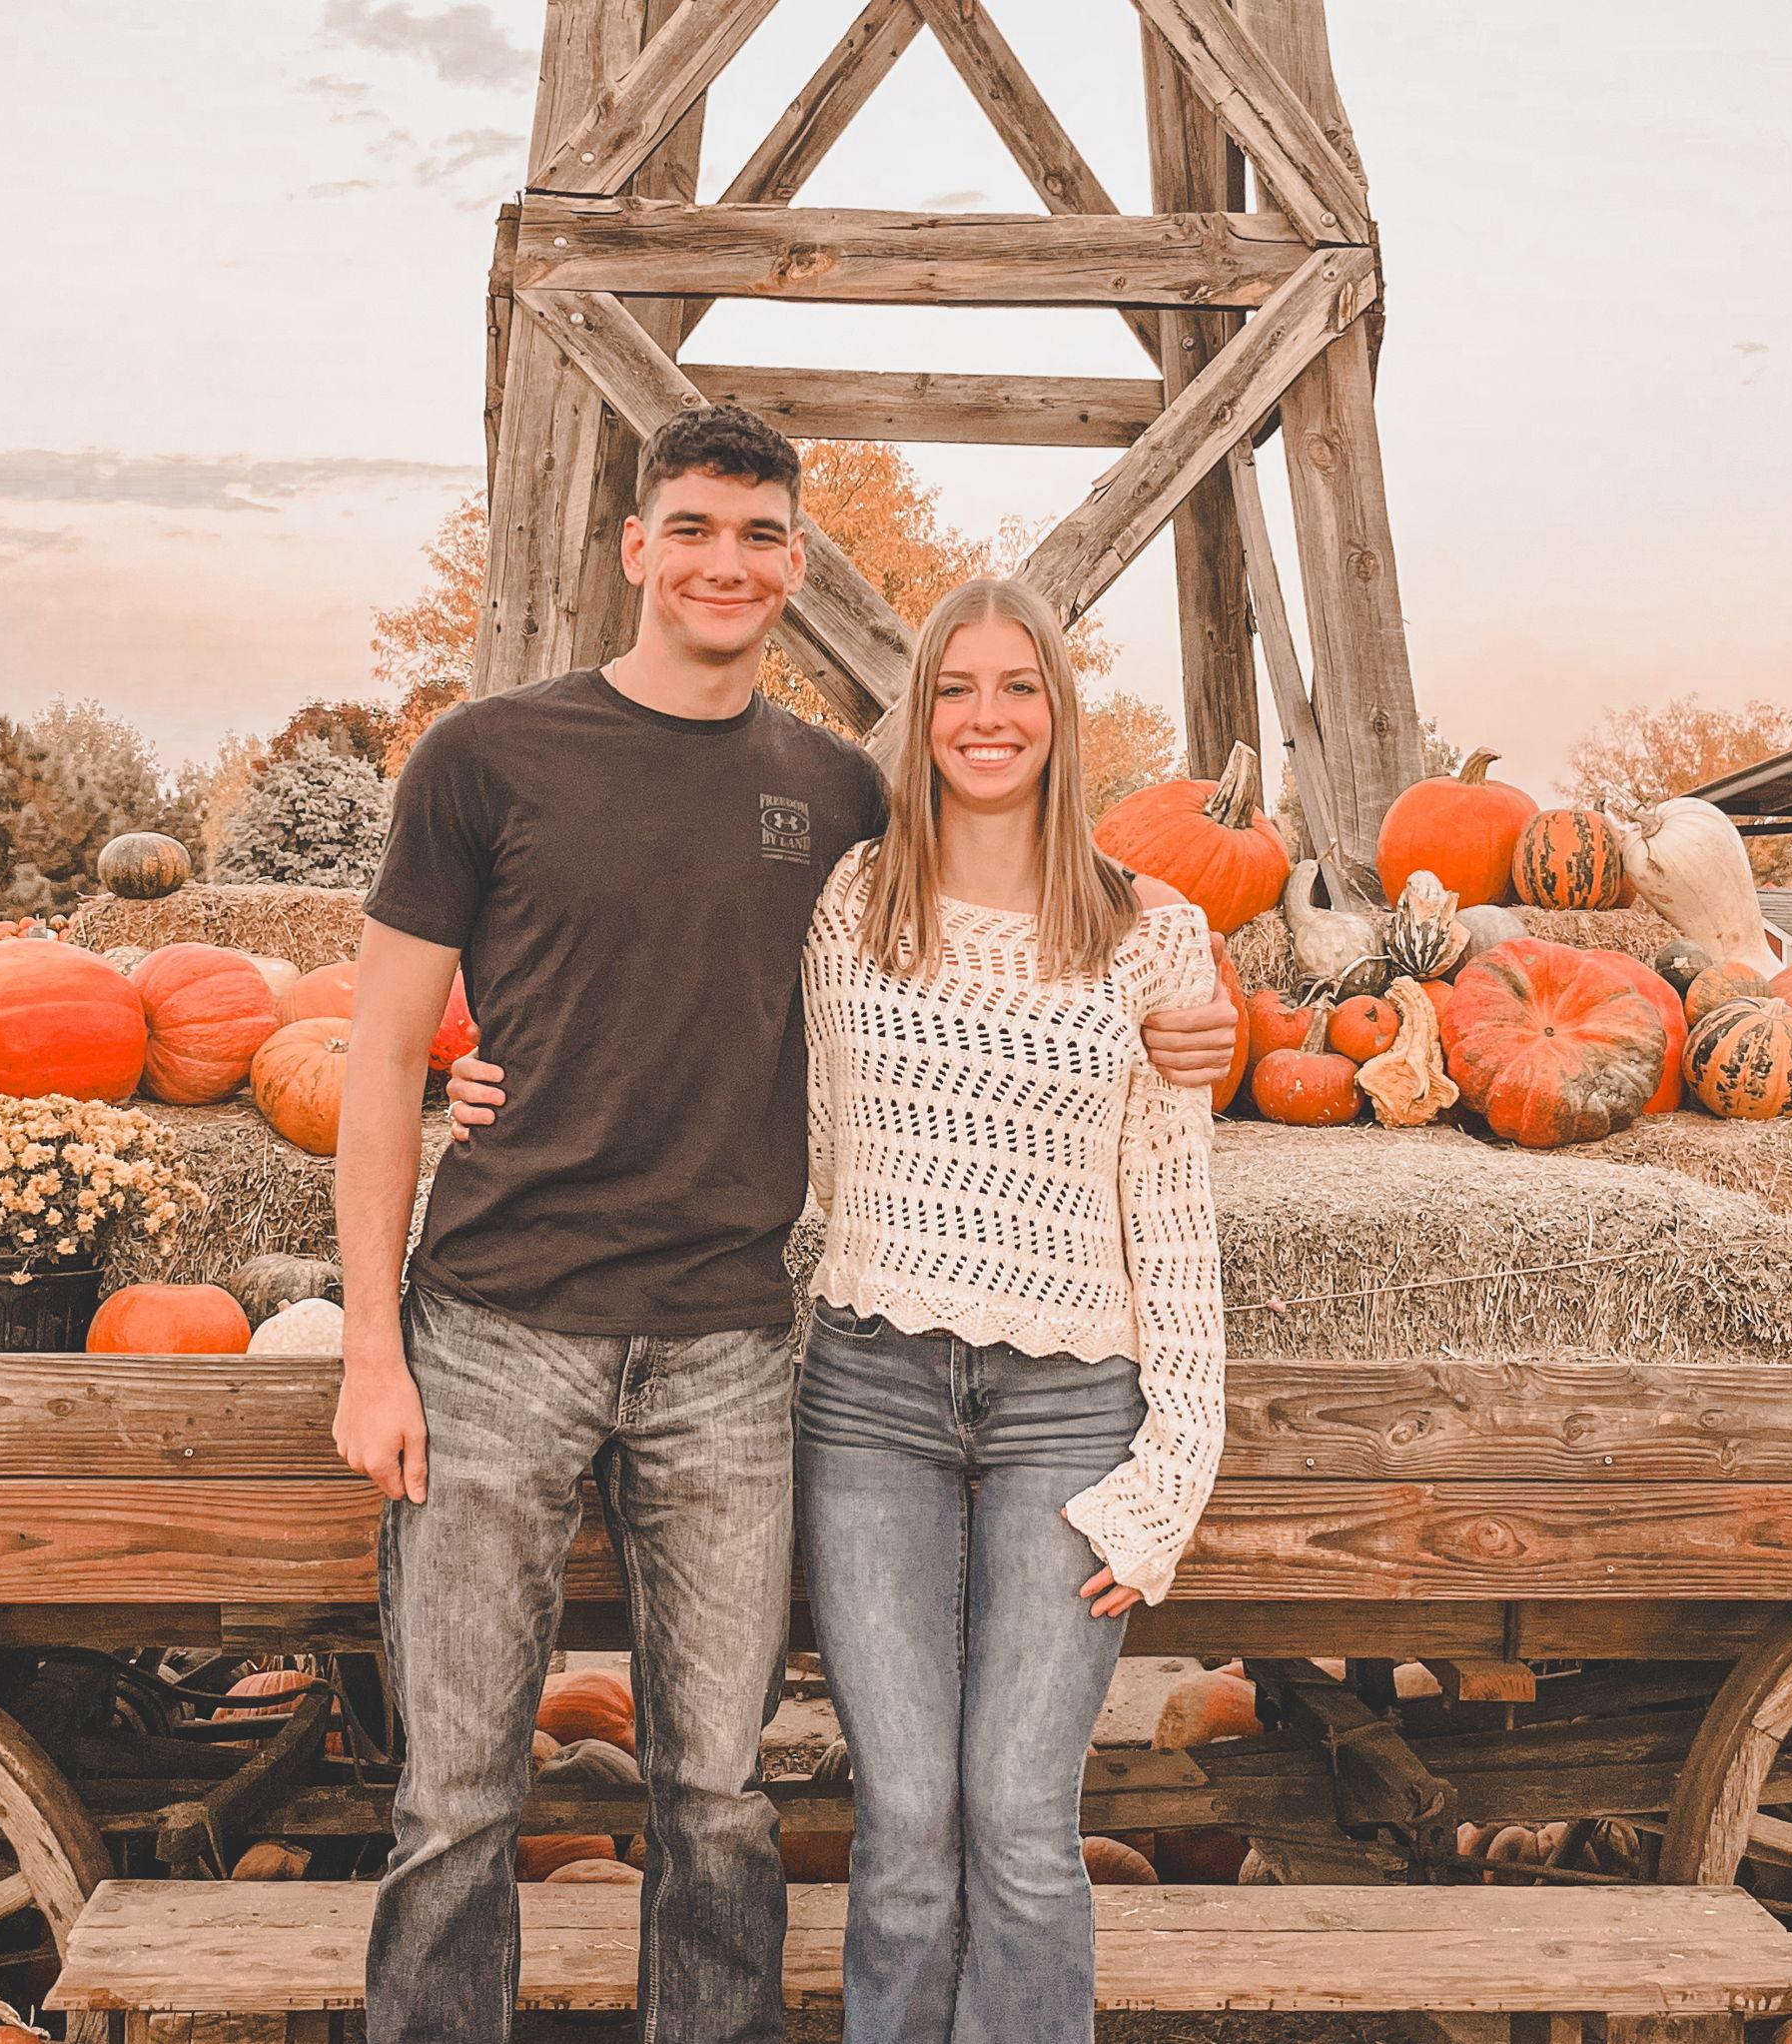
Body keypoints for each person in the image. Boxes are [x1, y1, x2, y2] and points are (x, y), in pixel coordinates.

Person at [340, 404, 1235, 2044]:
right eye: (692, 527)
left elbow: (1032, 926)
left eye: (758, 536)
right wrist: (373, 1354)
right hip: (492, 1332)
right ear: (636, 547)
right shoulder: (486, 757)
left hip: (729, 1352)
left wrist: (1206, 1018)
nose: (724, 562)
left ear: (797, 562)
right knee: (457, 1794)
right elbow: (384, 1055)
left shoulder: (835, 802)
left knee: (721, 1793)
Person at [793, 577, 1225, 2042]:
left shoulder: (1153, 934)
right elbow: (762, 1117)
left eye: (1018, 686)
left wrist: (1175, 1468)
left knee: (1025, 1822)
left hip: (1068, 1413)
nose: (988, 716)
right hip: (868, 1396)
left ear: (1060, 713)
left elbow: (1171, 1212)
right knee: (907, 1821)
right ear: (919, 715)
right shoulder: (850, 904)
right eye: (958, 687)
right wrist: (484, 1080)